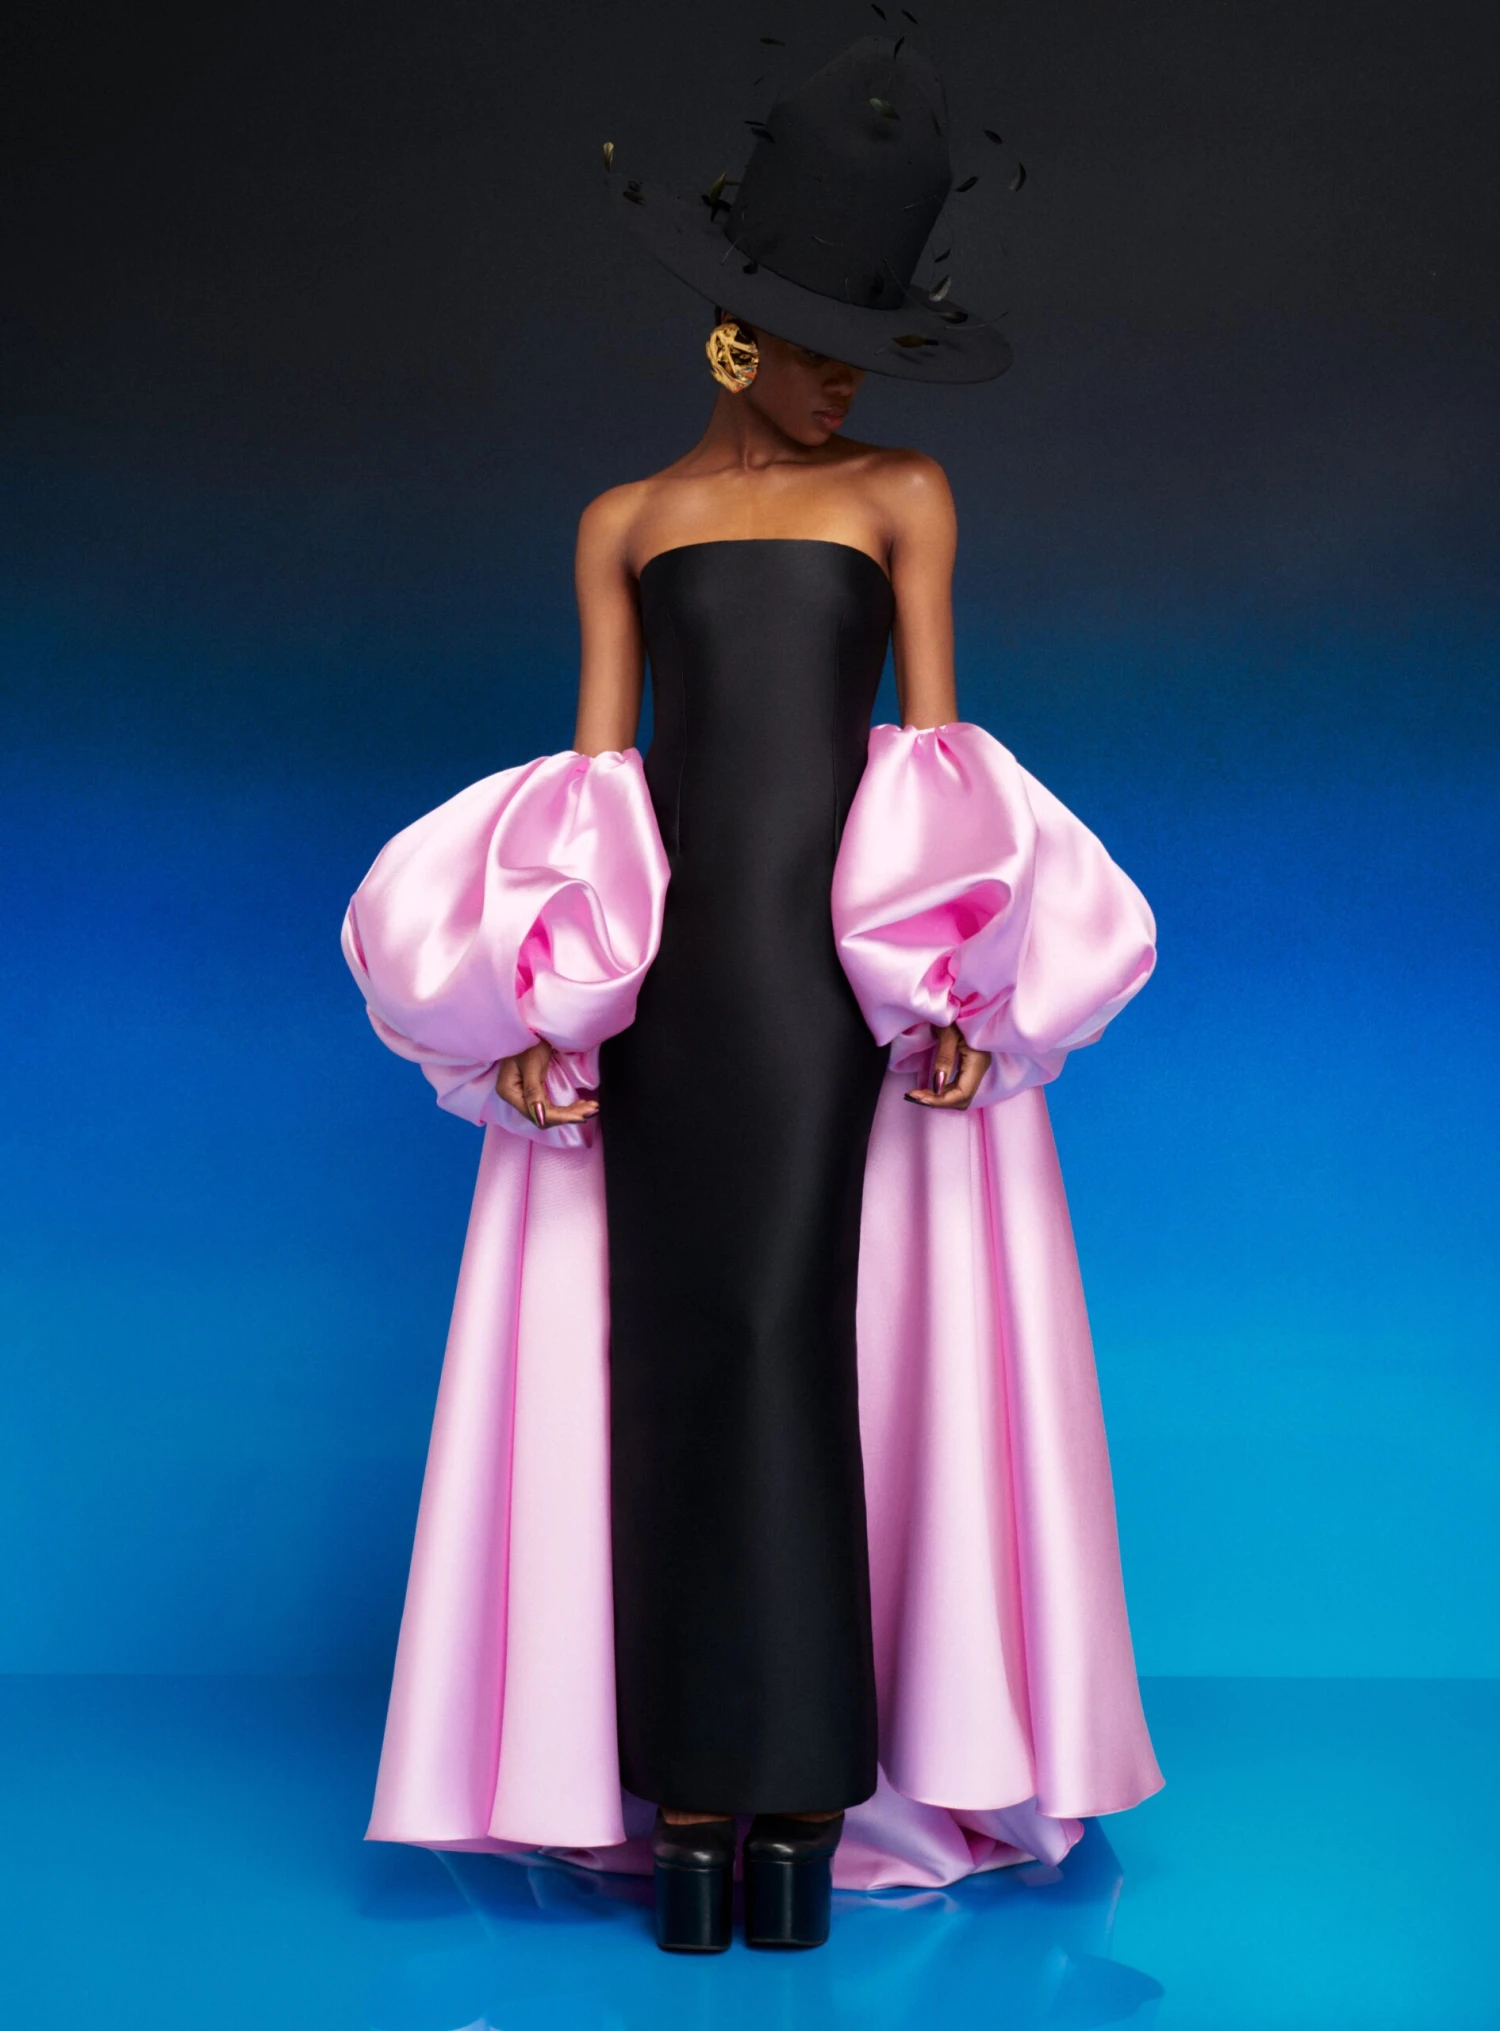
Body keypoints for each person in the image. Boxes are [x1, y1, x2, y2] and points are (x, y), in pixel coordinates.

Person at [341, 38, 1164, 1956]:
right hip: (673, 1000)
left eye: (870, 341)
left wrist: (956, 983)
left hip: (829, 998)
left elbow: (933, 762)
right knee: (679, 1355)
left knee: (798, 1343)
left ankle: (802, 1788)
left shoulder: (904, 494)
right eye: (818, 340)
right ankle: (692, 1798)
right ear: (733, 334)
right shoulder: (622, 522)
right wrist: (544, 1012)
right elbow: (595, 790)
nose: (848, 376)